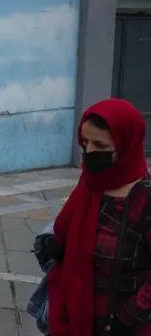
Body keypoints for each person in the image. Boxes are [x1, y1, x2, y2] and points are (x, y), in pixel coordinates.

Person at [46, 98, 151, 336]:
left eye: (100, 146)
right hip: (78, 319)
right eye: (85, 142)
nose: (90, 152)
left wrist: (126, 321)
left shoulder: (144, 199)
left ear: (126, 146)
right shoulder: (92, 183)